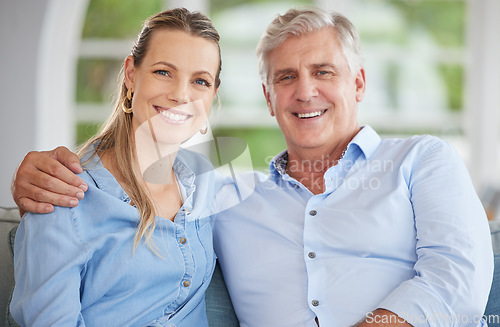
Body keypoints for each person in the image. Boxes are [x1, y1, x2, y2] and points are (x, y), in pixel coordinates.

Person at [12, 6, 494, 327]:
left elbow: (458, 277)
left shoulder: (421, 161)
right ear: (268, 97)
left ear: (360, 83)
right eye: (286, 77)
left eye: (323, 72)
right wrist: (37, 170)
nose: (305, 91)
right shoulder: (227, 194)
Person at [10, 7, 224, 326]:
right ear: (131, 74)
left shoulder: (205, 180)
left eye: (201, 81)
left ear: (212, 96)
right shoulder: (63, 194)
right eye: (164, 72)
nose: (181, 94)